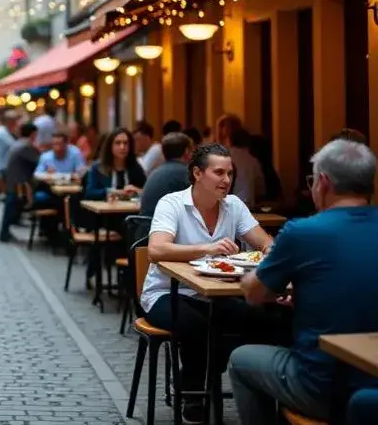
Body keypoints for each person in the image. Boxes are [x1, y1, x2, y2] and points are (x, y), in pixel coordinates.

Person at [229, 139, 378, 424]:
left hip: (324, 386)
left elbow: (253, 294)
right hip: (373, 388)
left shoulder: (303, 232)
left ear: (322, 182)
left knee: (241, 359)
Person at [141, 143, 274, 423]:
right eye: (219, 172)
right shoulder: (172, 203)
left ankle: (221, 382)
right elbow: (157, 250)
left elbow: (264, 242)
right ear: (197, 173)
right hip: (166, 292)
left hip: (215, 294)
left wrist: (269, 252)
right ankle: (193, 394)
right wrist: (208, 248)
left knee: (262, 318)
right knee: (197, 326)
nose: (226, 180)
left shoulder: (234, 206)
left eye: (229, 173)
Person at [0, 122, 41, 243]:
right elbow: (39, 161)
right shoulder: (26, 146)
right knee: (11, 206)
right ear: (33, 134)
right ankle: (4, 232)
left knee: (10, 206)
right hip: (18, 183)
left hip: (13, 180)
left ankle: (5, 231)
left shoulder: (18, 143)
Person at [139, 132, 192, 219]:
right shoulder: (185, 173)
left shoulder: (155, 172)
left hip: (145, 227)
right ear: (186, 152)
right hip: (164, 229)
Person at [83, 128, 146, 201]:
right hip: (105, 210)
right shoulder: (97, 167)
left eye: (126, 143)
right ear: (110, 146)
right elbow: (89, 193)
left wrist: (136, 190)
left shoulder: (135, 167)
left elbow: (147, 191)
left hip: (130, 210)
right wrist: (113, 192)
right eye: (118, 143)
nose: (122, 147)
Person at [0, 111, 19, 195]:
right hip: (2, 169)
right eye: (15, 121)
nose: (17, 123)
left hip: (9, 168)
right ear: (9, 121)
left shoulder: (11, 132)